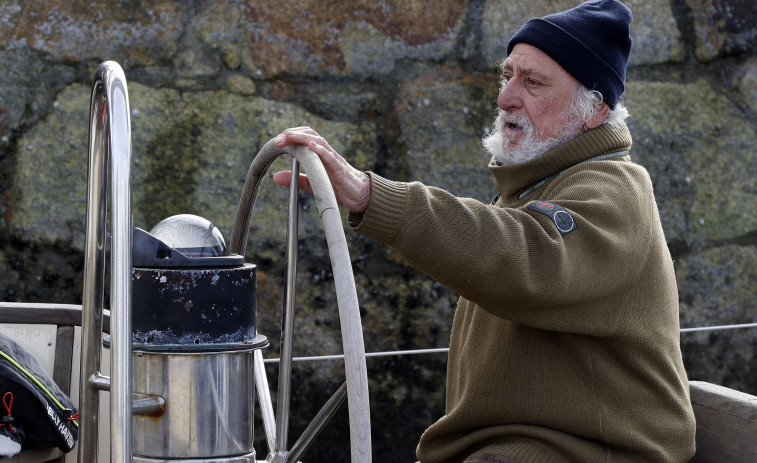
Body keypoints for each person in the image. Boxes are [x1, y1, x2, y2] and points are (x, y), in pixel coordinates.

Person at [272, 0, 697, 461]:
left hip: (589, 452)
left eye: (532, 82)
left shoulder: (614, 190)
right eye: (507, 75)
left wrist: (372, 197)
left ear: (596, 110)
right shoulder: (536, 188)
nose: (505, 98)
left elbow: (527, 257)